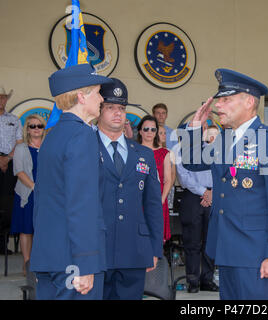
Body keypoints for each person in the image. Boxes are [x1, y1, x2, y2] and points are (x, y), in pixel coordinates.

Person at [180, 68, 268, 300]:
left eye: (226, 100)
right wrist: (195, 126)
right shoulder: (225, 140)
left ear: (249, 102)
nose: (218, 106)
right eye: (219, 100)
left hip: (256, 250)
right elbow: (192, 162)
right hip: (226, 247)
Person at [30, 64, 112, 300]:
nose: (101, 98)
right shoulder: (82, 135)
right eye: (97, 92)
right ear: (80, 96)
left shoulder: (52, 136)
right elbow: (82, 204)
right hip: (74, 260)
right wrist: (85, 263)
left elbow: (43, 200)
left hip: (50, 256)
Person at [96, 78, 164, 299]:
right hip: (96, 249)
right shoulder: (85, 146)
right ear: (98, 110)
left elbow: (153, 204)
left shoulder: (143, 154)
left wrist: (155, 248)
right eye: (110, 107)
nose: (118, 113)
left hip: (134, 249)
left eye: (122, 108)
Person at [176, 125, 219, 294]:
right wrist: (204, 192)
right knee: (192, 241)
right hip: (193, 197)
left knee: (211, 241)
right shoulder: (183, 150)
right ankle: (192, 281)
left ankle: (207, 280)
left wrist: (213, 192)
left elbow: (225, 173)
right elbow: (184, 177)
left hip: (214, 196)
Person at [10, 114, 46, 276]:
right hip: (27, 193)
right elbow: (19, 171)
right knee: (27, 230)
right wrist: (34, 187)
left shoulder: (49, 146)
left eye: (40, 126)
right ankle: (27, 262)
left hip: (47, 194)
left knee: (43, 229)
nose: (36, 129)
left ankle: (41, 262)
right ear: (27, 129)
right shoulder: (21, 148)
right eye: (32, 126)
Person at [137, 115, 172, 242]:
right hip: (137, 203)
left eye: (153, 129)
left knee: (156, 242)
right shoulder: (132, 151)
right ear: (140, 131)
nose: (149, 132)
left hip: (157, 202)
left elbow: (168, 180)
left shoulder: (164, 153)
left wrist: (161, 200)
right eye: (146, 129)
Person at [0, 86, 22, 255]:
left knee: (7, 203)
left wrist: (6, 159)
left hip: (10, 163)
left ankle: (3, 245)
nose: (1, 100)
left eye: (3, 97)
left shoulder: (14, 119)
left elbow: (19, 142)